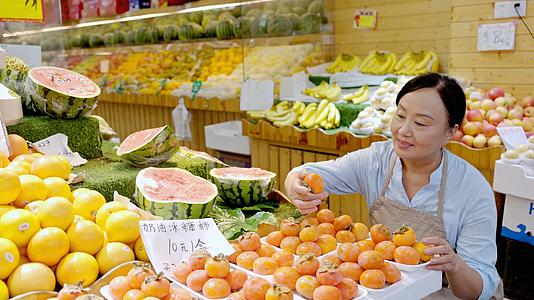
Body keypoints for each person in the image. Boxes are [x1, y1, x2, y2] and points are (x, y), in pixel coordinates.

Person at [285, 73, 502, 300]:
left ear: (450, 132)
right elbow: (308, 173)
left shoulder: (472, 189)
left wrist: (455, 265)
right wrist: (294, 184)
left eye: (420, 123)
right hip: (389, 286)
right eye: (400, 115)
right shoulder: (377, 160)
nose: (403, 130)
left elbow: (479, 287)